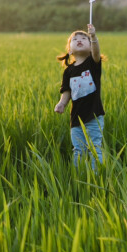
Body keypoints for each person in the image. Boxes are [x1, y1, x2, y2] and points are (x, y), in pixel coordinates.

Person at [54, 24, 106, 168]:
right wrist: (62, 103)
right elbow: (67, 91)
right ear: (69, 50)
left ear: (90, 48)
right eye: (75, 39)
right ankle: (80, 178)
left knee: (94, 147)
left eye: (84, 38)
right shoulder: (69, 71)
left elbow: (96, 53)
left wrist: (93, 36)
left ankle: (97, 176)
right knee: (78, 150)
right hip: (76, 118)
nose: (79, 40)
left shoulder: (93, 63)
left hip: (94, 116)